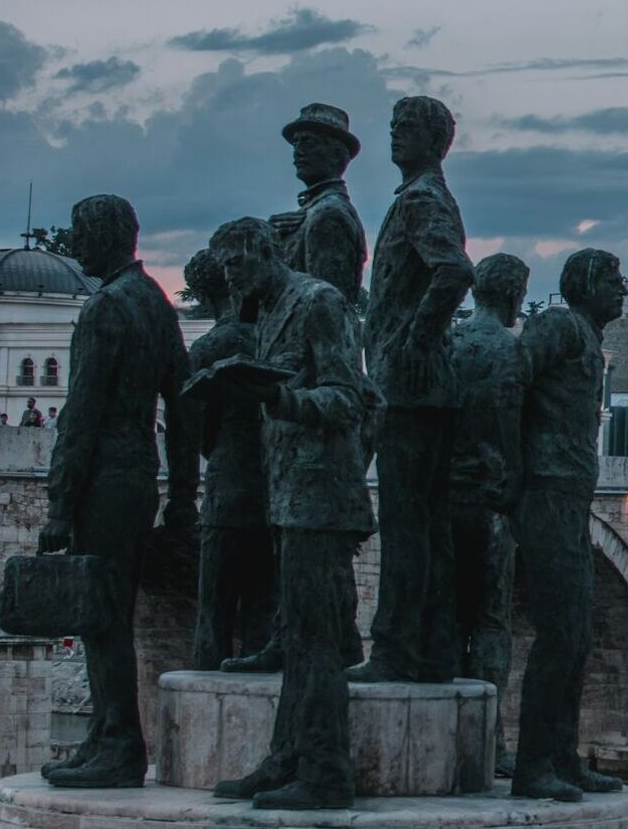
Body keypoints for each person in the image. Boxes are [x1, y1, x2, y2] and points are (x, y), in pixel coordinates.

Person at [206, 217, 377, 810]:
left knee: (316, 640)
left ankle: (327, 774)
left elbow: (348, 398)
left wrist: (279, 398)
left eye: (234, 267)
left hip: (321, 499)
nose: (230, 281)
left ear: (258, 252)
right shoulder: (270, 312)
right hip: (289, 497)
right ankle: (285, 759)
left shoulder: (319, 301)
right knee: (297, 639)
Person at [36, 195, 199, 788]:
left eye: (81, 234)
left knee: (100, 617)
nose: (75, 248)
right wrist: (182, 495)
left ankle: (118, 745)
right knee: (110, 615)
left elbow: (80, 414)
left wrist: (59, 503)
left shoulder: (106, 308)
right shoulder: (155, 303)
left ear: (106, 236)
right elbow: (184, 409)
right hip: (137, 479)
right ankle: (106, 736)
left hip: (103, 481)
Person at [351, 96, 475, 685]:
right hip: (421, 389)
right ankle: (436, 649)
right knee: (428, 526)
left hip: (409, 389)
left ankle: (397, 650)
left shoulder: (422, 198)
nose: (393, 138)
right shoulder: (424, 196)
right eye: (392, 127)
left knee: (406, 525)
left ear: (433, 140)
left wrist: (412, 340)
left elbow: (454, 271)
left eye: (404, 129)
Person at [512, 249, 627, 801]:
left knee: (577, 633)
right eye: (611, 278)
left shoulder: (586, 338)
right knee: (559, 632)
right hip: (546, 490)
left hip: (570, 495)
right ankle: (533, 766)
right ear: (583, 284)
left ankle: (563, 758)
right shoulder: (557, 325)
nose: (622, 288)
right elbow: (508, 383)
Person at [447, 253, 532, 778]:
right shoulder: (511, 351)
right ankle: (489, 739)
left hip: (443, 499)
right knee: (491, 623)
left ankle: (442, 726)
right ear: (515, 296)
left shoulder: (448, 343)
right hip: (491, 501)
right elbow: (513, 432)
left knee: (447, 619)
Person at [182, 249, 278, 671]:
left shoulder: (207, 348)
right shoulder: (271, 338)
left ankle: (206, 683)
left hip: (226, 485)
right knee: (264, 603)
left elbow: (196, 428)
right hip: (273, 486)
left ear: (204, 291)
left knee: (214, 607)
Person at [269, 103, 367, 307]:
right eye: (295, 143)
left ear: (337, 155)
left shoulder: (329, 214)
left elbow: (327, 303)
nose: (298, 151)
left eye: (308, 142)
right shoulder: (311, 210)